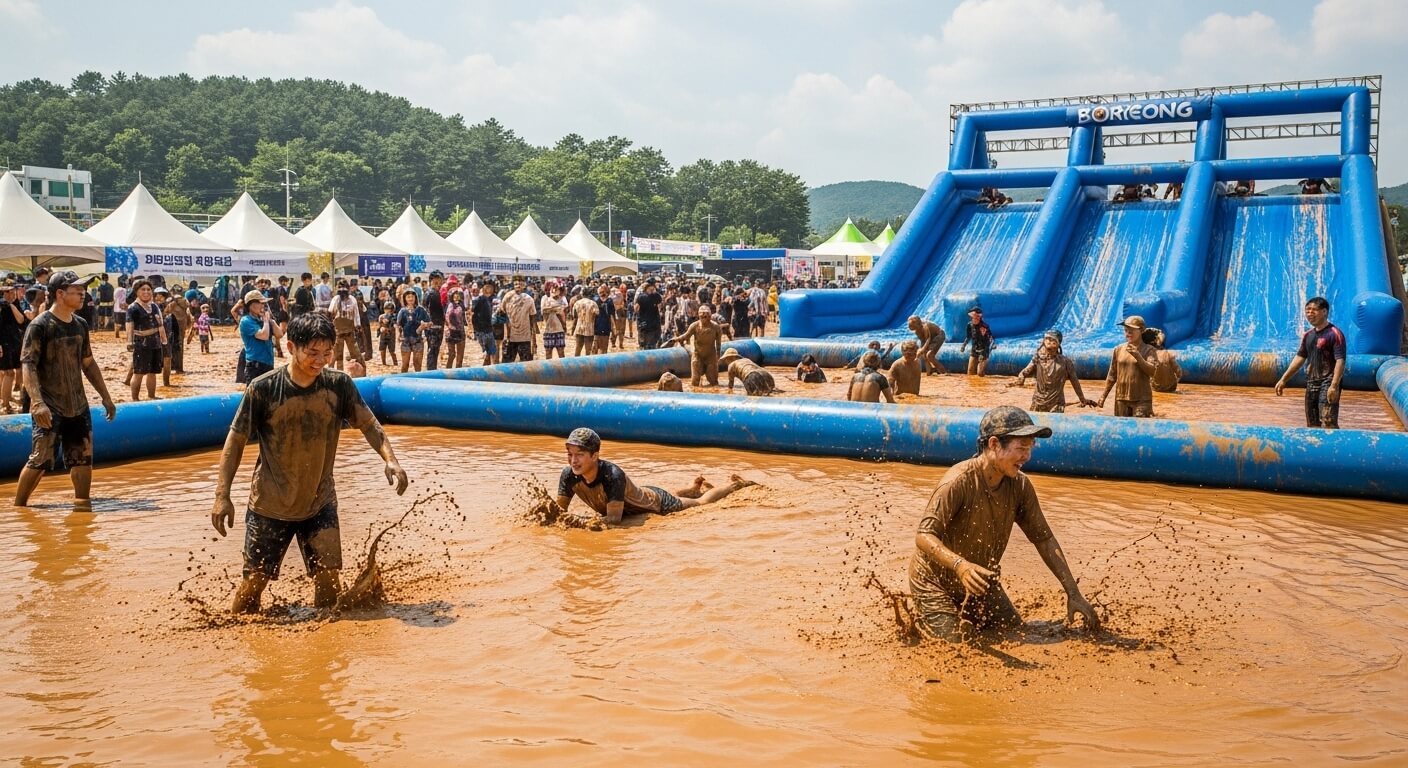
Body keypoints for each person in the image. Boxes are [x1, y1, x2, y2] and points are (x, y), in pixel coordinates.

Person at [210, 312, 409, 613]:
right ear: (291, 347)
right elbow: (235, 442)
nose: (320, 361)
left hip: (319, 502)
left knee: (329, 584)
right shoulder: (264, 389)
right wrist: (222, 496)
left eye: (327, 353)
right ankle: (237, 635)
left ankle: (327, 637)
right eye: (313, 352)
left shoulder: (338, 385)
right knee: (253, 585)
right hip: (270, 505)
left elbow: (369, 424)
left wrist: (390, 459)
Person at [908, 406, 1101, 642]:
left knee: (1015, 633)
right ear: (994, 444)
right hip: (933, 581)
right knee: (955, 645)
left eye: (1030, 448)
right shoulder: (958, 481)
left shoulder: (1020, 486)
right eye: (1021, 448)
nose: (1027, 457)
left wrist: (1073, 592)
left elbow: (1044, 539)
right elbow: (924, 535)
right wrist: (960, 566)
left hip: (980, 579)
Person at [12, 271, 117, 506]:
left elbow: (88, 363)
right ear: (60, 294)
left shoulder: (80, 325)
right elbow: (28, 365)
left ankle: (83, 507)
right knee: (40, 460)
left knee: (83, 460)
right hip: (49, 406)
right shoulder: (40, 326)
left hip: (78, 405)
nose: (83, 295)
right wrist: (37, 403)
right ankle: (19, 507)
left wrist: (106, 396)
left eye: (83, 290)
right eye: (77, 291)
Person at [553, 427, 754, 526]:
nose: (573, 461)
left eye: (579, 455)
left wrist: (577, 521)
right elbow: (558, 512)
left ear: (595, 456)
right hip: (640, 495)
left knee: (701, 503)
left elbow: (614, 520)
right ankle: (693, 488)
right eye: (570, 454)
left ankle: (735, 485)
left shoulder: (612, 476)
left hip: (658, 503)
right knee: (666, 494)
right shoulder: (568, 475)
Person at [1274, 296, 1346, 429]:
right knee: (1312, 423)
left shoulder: (1334, 334)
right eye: (1307, 310)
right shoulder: (1308, 335)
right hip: (1312, 382)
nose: (1309, 313)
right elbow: (1300, 358)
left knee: (1328, 420)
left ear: (1324, 312)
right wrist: (1284, 379)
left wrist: (1334, 386)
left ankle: (1334, 443)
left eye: (1314, 310)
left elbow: (1340, 361)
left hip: (1328, 382)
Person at [1008, 329, 1095, 412]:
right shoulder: (1038, 358)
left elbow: (1075, 382)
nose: (1049, 341)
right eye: (1047, 339)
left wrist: (1082, 399)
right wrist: (1020, 379)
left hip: (1056, 404)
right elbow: (1025, 372)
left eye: (1052, 339)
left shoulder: (1065, 362)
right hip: (1038, 402)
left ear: (1058, 343)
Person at [1096, 315, 1158, 417]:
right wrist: (1103, 396)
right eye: (1126, 330)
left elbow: (1152, 372)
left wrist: (1138, 356)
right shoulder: (1118, 349)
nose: (1128, 333)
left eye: (1131, 331)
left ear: (1141, 330)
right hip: (1121, 398)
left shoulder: (1149, 350)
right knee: (1120, 426)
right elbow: (1112, 375)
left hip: (1141, 399)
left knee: (1140, 426)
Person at [126, 279, 167, 401]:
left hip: (155, 342)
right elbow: (129, 325)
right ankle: (135, 399)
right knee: (138, 372)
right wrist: (129, 342)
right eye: (143, 289)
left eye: (148, 289)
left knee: (153, 372)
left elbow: (160, 324)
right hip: (141, 342)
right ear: (137, 292)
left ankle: (151, 396)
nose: (146, 292)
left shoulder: (154, 306)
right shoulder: (133, 308)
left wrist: (164, 341)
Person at [670, 304, 724, 387]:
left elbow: (719, 343)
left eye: (706, 316)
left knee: (713, 381)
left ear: (710, 316)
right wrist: (676, 339)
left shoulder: (716, 327)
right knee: (695, 381)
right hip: (697, 354)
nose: (704, 319)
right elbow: (686, 335)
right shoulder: (694, 326)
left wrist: (718, 356)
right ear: (699, 316)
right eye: (702, 317)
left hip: (711, 355)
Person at [239, 290, 280, 384]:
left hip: (268, 363)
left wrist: (271, 321)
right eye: (260, 303)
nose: (263, 306)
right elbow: (264, 336)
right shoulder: (246, 321)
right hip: (255, 365)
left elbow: (279, 334)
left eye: (264, 304)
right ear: (251, 305)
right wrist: (266, 321)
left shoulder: (261, 320)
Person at [0, 282, 25, 412]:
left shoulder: (14, 304)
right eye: (10, 292)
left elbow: (21, 320)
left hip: (13, 342)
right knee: (8, 373)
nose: (13, 294)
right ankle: (5, 404)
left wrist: (11, 304)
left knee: (7, 372)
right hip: (4, 343)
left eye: (14, 291)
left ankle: (5, 397)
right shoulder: (3, 305)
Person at [501, 278, 537, 363]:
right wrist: (506, 333)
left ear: (524, 285)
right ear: (513, 285)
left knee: (526, 364)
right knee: (507, 363)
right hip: (510, 337)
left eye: (520, 284)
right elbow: (502, 312)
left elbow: (533, 318)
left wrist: (533, 338)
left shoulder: (529, 299)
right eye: (516, 284)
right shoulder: (507, 297)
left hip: (525, 336)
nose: (518, 286)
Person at [395, 290, 431, 373]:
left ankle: (418, 379)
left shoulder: (421, 310)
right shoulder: (402, 311)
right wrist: (398, 335)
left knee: (417, 364)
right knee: (405, 364)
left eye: (412, 297)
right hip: (406, 340)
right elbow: (398, 325)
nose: (410, 299)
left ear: (415, 298)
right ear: (405, 299)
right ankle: (403, 379)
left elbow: (429, 322)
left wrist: (423, 326)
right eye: (408, 297)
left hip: (418, 339)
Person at [330, 281, 363, 370]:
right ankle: (335, 372)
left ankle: (360, 372)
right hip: (338, 330)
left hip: (350, 330)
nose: (342, 290)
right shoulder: (335, 299)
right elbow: (331, 313)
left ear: (348, 289)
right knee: (337, 353)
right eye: (340, 288)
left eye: (344, 288)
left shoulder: (352, 299)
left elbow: (356, 314)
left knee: (355, 352)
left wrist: (358, 325)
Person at [1144, 328, 1182, 393]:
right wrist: (1177, 379)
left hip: (1156, 388)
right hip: (1171, 387)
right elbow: (1179, 371)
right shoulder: (1168, 354)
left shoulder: (1149, 356)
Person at [422, 271, 446, 371]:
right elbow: (437, 313)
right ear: (431, 282)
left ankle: (431, 369)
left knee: (432, 350)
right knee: (433, 350)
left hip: (431, 326)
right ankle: (431, 371)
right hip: (435, 327)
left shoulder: (427, 293)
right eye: (436, 282)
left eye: (440, 283)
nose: (438, 285)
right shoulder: (433, 294)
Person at [960, 306, 993, 376]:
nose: (974, 319)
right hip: (974, 350)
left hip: (983, 351)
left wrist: (992, 344)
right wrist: (963, 345)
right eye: (973, 317)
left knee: (980, 373)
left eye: (976, 317)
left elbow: (990, 337)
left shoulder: (984, 326)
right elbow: (968, 336)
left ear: (979, 317)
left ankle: (983, 381)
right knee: (970, 371)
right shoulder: (969, 325)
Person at [471, 281, 497, 366]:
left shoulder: (492, 299)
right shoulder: (480, 299)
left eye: (490, 287)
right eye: (487, 287)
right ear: (483, 288)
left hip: (489, 329)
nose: (489, 289)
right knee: (488, 352)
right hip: (483, 330)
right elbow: (473, 315)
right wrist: (475, 330)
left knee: (490, 352)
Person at [634, 279, 663, 350]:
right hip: (652, 325)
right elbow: (660, 306)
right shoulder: (656, 296)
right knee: (651, 346)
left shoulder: (641, 296)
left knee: (643, 346)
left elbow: (636, 309)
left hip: (644, 324)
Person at [540, 283, 567, 360]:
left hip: (559, 330)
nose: (554, 290)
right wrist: (556, 308)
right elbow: (543, 310)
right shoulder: (545, 298)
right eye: (553, 288)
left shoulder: (562, 299)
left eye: (556, 289)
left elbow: (564, 310)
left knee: (561, 352)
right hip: (548, 330)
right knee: (548, 352)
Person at [571, 287, 599, 357]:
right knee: (588, 350)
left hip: (579, 328)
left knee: (578, 349)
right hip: (589, 329)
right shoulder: (593, 303)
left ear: (582, 294)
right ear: (590, 294)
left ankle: (576, 363)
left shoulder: (577, 303)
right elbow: (597, 315)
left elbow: (574, 316)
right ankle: (588, 363)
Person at [444, 287, 467, 368]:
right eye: (455, 295)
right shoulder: (448, 306)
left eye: (458, 295)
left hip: (460, 332)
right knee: (452, 355)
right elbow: (447, 319)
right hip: (450, 333)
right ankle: (448, 372)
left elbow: (464, 319)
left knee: (460, 357)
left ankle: (458, 373)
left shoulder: (462, 305)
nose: (457, 297)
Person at [592, 285, 613, 355]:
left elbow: (612, 316)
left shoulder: (609, 301)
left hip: (604, 326)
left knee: (601, 348)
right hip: (598, 327)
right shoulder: (596, 300)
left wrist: (614, 328)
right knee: (596, 348)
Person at [377, 301, 398, 366]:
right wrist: (380, 329)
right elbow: (379, 325)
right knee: (382, 350)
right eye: (387, 309)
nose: (388, 311)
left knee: (392, 351)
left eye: (390, 309)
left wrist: (394, 325)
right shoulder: (381, 317)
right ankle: (384, 363)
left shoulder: (394, 316)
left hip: (391, 336)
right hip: (383, 335)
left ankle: (395, 363)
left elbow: (395, 324)